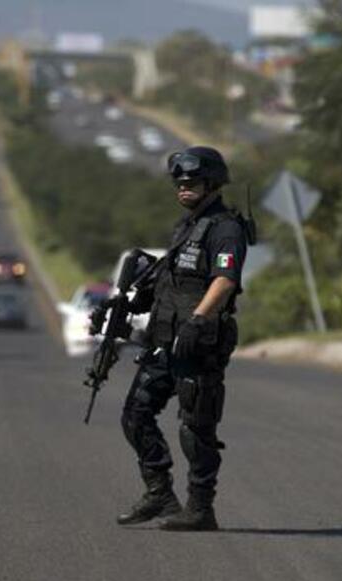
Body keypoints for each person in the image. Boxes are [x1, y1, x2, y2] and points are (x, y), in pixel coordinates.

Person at [91, 146, 251, 531]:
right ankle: (160, 493)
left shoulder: (225, 229)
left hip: (199, 342)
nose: (183, 189)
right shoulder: (186, 226)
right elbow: (169, 280)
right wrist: (126, 305)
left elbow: (225, 281)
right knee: (136, 413)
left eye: (191, 182)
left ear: (212, 184)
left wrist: (198, 321)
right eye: (178, 184)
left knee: (196, 429)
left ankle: (199, 508)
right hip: (164, 340)